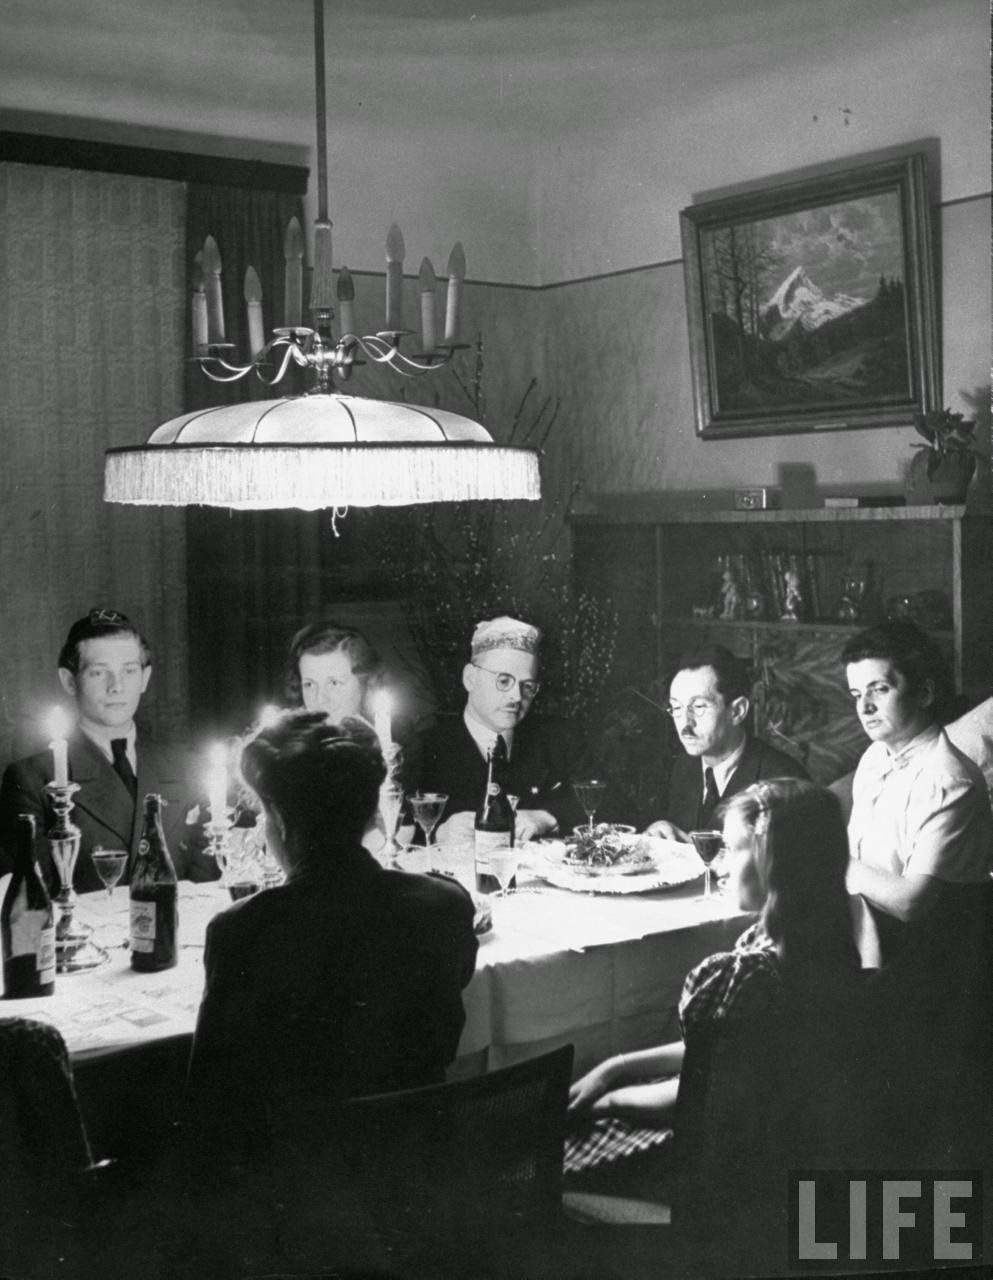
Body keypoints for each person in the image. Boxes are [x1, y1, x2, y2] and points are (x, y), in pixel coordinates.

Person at [186, 709, 478, 1158]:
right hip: (418, 1170)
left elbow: (211, 1098)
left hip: (300, 1193)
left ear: (279, 823)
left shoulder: (241, 931)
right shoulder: (445, 905)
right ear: (370, 811)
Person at [566, 779, 860, 1180]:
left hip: (713, 1154)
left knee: (554, 1147)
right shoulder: (825, 946)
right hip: (761, 1136)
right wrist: (614, 1068)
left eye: (731, 849)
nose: (718, 863)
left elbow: (695, 1095)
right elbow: (710, 1051)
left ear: (773, 860)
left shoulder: (752, 974)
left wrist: (611, 1101)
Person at [0, 608, 218, 893]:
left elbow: (208, 885)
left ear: (145, 678)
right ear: (69, 681)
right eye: (99, 672)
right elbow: (37, 898)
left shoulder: (187, 768)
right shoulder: (32, 780)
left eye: (129, 670)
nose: (117, 687)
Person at [842, 619, 993, 965]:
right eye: (856, 694)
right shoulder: (876, 756)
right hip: (868, 936)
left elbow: (911, 902)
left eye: (879, 689)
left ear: (924, 693)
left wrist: (831, 860)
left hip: (927, 964)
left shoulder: (949, 780)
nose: (864, 707)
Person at [408, 615, 581, 843]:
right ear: (470, 678)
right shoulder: (423, 748)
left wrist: (546, 817)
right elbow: (387, 835)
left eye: (527, 686)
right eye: (503, 681)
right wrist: (439, 833)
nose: (517, 697)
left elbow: (613, 803)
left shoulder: (558, 737)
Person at [645, 645, 808, 841]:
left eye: (698, 706)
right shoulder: (684, 767)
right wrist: (661, 833)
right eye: (677, 708)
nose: (685, 724)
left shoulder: (783, 781)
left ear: (737, 711)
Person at [286, 619, 381, 722]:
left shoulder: (383, 737)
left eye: (334, 683)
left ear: (364, 685)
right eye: (309, 685)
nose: (320, 701)